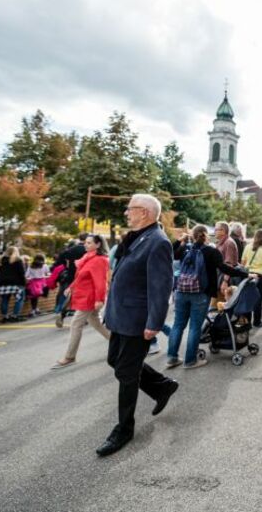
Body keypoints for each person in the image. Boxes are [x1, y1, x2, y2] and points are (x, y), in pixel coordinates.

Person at [96, 194, 177, 457]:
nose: (126, 214)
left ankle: (124, 429)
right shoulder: (138, 237)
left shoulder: (157, 242)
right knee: (116, 361)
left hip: (137, 319)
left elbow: (161, 287)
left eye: (129, 209)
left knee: (126, 374)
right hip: (121, 316)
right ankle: (162, 385)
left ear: (143, 212)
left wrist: (154, 323)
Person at [164, 225, 250, 369]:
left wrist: (180, 241)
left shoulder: (186, 249)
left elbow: (172, 254)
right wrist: (246, 274)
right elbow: (225, 268)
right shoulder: (211, 251)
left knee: (178, 325)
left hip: (181, 291)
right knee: (195, 327)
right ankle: (190, 360)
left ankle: (172, 358)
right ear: (204, 235)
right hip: (201, 292)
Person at [52, 235, 111, 369]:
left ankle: (70, 356)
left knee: (75, 324)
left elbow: (100, 282)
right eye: (85, 242)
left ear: (98, 245)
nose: (85, 245)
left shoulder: (99, 260)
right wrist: (70, 287)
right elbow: (81, 276)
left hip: (90, 297)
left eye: (89, 243)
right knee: (95, 322)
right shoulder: (87, 258)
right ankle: (118, 345)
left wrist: (99, 299)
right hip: (85, 295)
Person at [240, 229, 262, 328]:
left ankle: (247, 322)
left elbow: (243, 263)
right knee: (258, 299)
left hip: (249, 276)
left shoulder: (247, 247)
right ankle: (257, 321)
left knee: (248, 299)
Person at [53, 234, 88, 317]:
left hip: (71, 273)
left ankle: (62, 308)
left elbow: (61, 257)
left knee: (69, 291)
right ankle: (75, 309)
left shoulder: (72, 249)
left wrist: (66, 265)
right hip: (84, 273)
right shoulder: (87, 250)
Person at [0, 247, 26, 321]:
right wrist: (24, 283)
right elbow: (21, 273)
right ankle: (15, 316)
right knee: (19, 299)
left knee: (4, 300)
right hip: (16, 282)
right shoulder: (18, 260)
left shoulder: (0, 260)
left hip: (2, 282)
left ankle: (4, 316)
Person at [214, 221, 239, 293]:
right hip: (219, 277)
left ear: (223, 231)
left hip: (225, 279)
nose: (214, 232)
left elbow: (229, 264)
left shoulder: (229, 243)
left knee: (220, 302)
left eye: (216, 229)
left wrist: (225, 282)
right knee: (215, 303)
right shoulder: (221, 242)